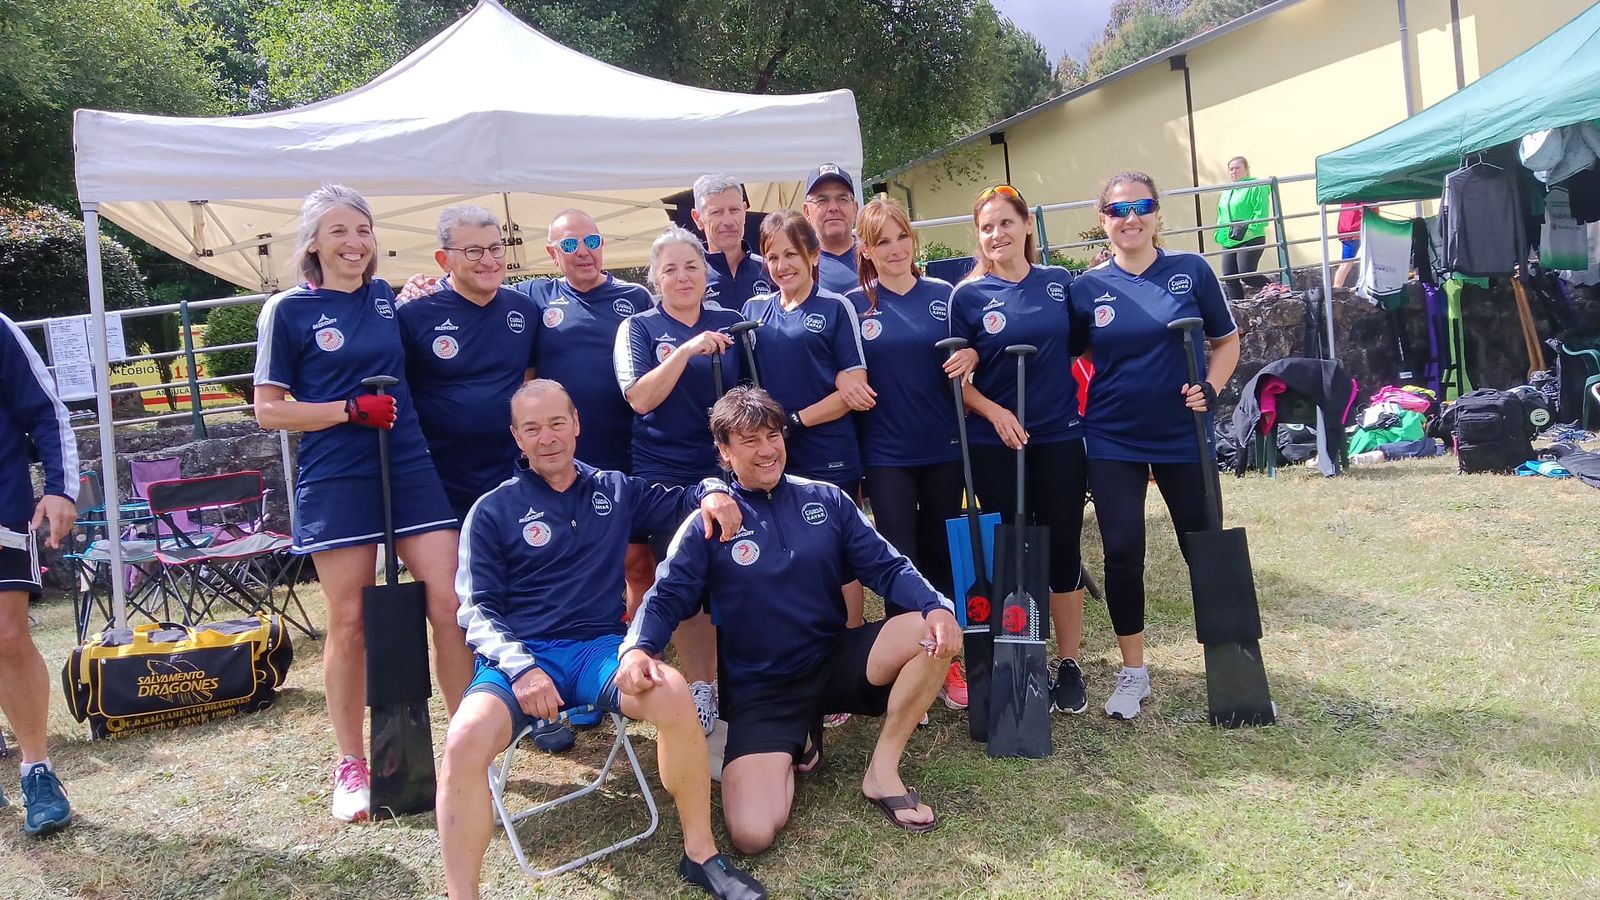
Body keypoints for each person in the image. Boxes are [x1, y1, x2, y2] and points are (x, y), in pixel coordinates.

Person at [439, 379, 765, 900]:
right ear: (516, 438)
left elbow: (682, 497)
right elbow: (474, 609)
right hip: (520, 657)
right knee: (462, 741)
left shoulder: (613, 489)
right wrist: (521, 668)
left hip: (599, 651)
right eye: (532, 429)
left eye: (556, 423)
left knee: (675, 692)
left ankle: (700, 855)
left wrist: (715, 490)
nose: (547, 438)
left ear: (576, 424)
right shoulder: (492, 509)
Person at [625, 387, 960, 853]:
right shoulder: (707, 523)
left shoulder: (825, 499)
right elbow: (664, 598)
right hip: (762, 689)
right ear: (723, 452)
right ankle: (798, 735)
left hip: (834, 658)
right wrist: (638, 648)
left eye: (772, 435)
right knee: (751, 834)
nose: (766, 450)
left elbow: (888, 565)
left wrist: (936, 605)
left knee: (934, 630)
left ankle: (882, 772)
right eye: (749, 441)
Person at [253, 184, 473, 823]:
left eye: (364, 230)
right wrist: (346, 411)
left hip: (406, 463)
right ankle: (352, 763)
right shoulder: (287, 312)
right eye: (339, 231)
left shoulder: (386, 298)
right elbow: (268, 409)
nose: (354, 242)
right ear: (314, 243)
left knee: (449, 600)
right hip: (336, 473)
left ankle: (466, 742)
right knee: (348, 619)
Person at [1069, 171, 1240, 719]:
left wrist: (1210, 389)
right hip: (1112, 436)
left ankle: (1231, 663)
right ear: (1103, 222)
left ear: (1157, 214)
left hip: (1182, 435)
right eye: (1118, 211)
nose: (1130, 218)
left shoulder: (1190, 272)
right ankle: (1133, 672)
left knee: (1204, 547)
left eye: (1141, 207)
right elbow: (1063, 350)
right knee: (1122, 551)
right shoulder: (1086, 288)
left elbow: (1227, 341)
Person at [949, 184, 1091, 716]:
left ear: (1026, 225)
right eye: (986, 228)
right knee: (1012, 551)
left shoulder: (1059, 284)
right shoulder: (966, 297)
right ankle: (1021, 657)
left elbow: (1085, 345)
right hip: (996, 442)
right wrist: (994, 411)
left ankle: (1069, 664)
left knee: (1062, 550)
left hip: (1057, 436)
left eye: (1005, 223)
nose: (996, 235)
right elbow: (959, 382)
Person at [515, 209, 659, 706]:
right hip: (563, 455)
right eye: (570, 244)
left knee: (638, 564)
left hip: (626, 449)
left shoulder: (634, 297)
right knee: (571, 564)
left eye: (591, 240)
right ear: (552, 253)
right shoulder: (536, 298)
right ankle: (575, 666)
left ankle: (633, 654)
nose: (584, 251)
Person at [844, 196, 975, 709]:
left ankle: (948, 660)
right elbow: (839, 368)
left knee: (942, 554)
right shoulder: (852, 305)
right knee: (900, 559)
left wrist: (973, 353)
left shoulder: (945, 295)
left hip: (943, 445)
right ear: (866, 250)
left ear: (913, 239)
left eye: (901, 236)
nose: (894, 249)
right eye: (881, 241)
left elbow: (973, 348)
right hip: (885, 452)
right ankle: (909, 665)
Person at [614, 226, 746, 732]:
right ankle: (702, 689)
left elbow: (750, 396)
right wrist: (687, 350)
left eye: (691, 266)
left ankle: (744, 681)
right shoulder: (640, 327)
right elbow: (640, 397)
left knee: (737, 573)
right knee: (687, 582)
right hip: (665, 476)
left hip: (727, 468)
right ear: (655, 278)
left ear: (705, 272)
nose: (682, 276)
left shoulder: (731, 323)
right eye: (669, 268)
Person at [740, 209, 873, 631]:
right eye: (772, 257)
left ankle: (852, 643)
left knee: (838, 550)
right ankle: (807, 638)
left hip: (829, 450)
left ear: (813, 255)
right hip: (773, 454)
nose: (782, 266)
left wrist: (793, 422)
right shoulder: (754, 309)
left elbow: (853, 390)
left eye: (791, 254)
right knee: (789, 548)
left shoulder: (836, 307)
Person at [397, 205, 537, 520]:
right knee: (450, 571)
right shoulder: (413, 313)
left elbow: (530, 380)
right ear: (443, 260)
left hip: (512, 476)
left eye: (495, 248)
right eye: (473, 251)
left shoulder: (524, 309)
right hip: (440, 481)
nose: (488, 260)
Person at [0, 310, 77, 836]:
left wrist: (60, 486)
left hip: (2, 507)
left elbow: (46, 412)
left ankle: (37, 770)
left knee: (7, 636)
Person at [692, 174, 770, 308]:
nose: (728, 221)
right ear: (698, 219)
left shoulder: (769, 269)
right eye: (717, 212)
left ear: (744, 212)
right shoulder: (690, 278)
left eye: (734, 210)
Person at [1214, 156, 1272, 301]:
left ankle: (1276, 287)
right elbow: (1222, 215)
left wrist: (1250, 229)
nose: (1234, 171)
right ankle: (1238, 309)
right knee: (1229, 277)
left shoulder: (1256, 185)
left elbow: (1261, 211)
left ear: (1246, 169)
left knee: (1246, 274)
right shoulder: (1227, 191)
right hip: (1229, 239)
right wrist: (1219, 234)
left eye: (1237, 168)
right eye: (1231, 169)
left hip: (1251, 237)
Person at [801, 164, 861, 295]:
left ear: (855, 208)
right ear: (806, 212)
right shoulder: (797, 265)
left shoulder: (875, 257)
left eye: (842, 199)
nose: (833, 207)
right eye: (822, 200)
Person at [1333, 201, 1363, 289]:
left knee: (1345, 264)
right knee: (1346, 264)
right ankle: (1336, 289)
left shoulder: (1348, 195)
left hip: (1346, 230)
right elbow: (1367, 209)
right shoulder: (1362, 194)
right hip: (1355, 231)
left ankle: (1336, 289)